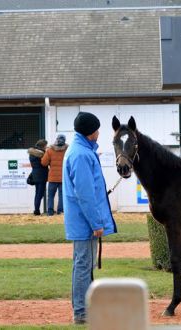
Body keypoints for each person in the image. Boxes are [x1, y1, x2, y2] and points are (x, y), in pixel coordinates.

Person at [62, 112, 117, 324]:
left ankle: (85, 309)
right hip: (85, 222)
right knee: (84, 266)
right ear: (90, 132)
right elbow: (85, 194)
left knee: (83, 265)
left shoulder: (80, 150)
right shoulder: (82, 154)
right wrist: (96, 223)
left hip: (81, 220)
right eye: (97, 129)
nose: (99, 132)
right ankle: (82, 313)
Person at [41, 134, 68, 216]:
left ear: (57, 140)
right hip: (63, 177)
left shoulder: (50, 150)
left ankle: (50, 212)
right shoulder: (67, 149)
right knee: (62, 195)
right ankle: (60, 211)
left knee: (51, 196)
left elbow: (44, 163)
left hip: (52, 177)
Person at [28, 139, 49, 215]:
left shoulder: (31, 154)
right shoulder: (42, 154)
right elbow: (45, 163)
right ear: (43, 146)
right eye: (46, 146)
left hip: (35, 174)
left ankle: (36, 209)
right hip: (42, 175)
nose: (46, 147)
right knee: (40, 194)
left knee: (37, 193)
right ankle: (36, 211)